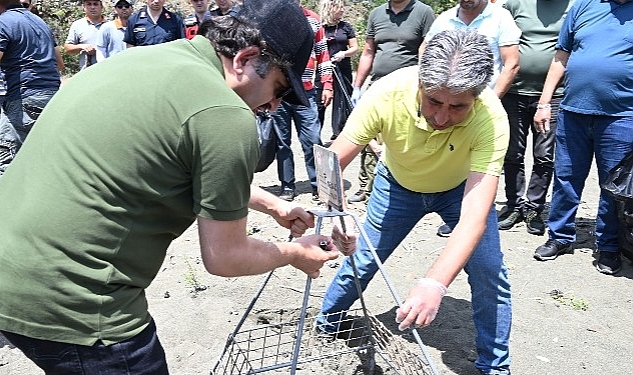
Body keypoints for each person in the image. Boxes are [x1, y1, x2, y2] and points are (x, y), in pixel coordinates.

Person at [0, 0, 350, 373]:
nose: (273, 106)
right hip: (75, 302)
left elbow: (178, 162)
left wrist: (274, 206)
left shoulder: (146, 62)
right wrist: (295, 253)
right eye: (279, 88)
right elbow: (225, 257)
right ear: (245, 58)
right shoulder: (225, 114)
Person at [316, 29, 513, 375]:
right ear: (420, 83)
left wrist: (434, 282)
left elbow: (474, 218)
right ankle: (327, 323)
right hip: (398, 185)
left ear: (477, 98)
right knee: (363, 258)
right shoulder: (386, 93)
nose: (441, 117)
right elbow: (330, 163)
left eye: (458, 107)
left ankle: (494, 366)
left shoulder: (491, 118)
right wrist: (338, 213)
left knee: (488, 270)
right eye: (434, 101)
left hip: (459, 190)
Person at [533, 0, 633, 275]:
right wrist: (544, 103)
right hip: (572, 111)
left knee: (612, 187)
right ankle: (559, 237)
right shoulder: (583, 6)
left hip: (621, 115)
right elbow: (561, 56)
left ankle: (609, 246)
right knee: (566, 177)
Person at [422, 0, 521, 236]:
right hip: (448, 102)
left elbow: (511, 63)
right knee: (454, 159)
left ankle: (482, 216)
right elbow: (425, 53)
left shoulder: (500, 17)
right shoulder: (444, 19)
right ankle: (456, 214)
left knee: (486, 162)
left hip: (482, 102)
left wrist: (487, 103)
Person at [346, 0, 435, 205]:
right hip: (377, 85)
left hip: (407, 87)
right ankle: (365, 187)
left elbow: (427, 50)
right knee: (367, 136)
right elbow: (369, 51)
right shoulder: (377, 13)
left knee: (400, 137)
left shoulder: (423, 12)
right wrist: (357, 86)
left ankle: (398, 188)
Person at [497, 0, 573, 235]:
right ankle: (513, 205)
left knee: (544, 155)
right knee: (512, 153)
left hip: (554, 95)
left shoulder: (575, 6)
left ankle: (533, 208)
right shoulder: (516, 4)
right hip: (514, 92)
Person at [273, 1, 333, 203]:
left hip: (305, 91)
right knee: (282, 143)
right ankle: (287, 186)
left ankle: (319, 185)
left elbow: (323, 54)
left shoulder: (312, 20)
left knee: (313, 139)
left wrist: (327, 84)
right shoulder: (274, 17)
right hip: (279, 91)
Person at [0, 0, 63, 178]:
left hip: (24, 98)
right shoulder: (39, 22)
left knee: (5, 162)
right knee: (42, 162)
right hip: (51, 99)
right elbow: (59, 64)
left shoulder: (4, 22)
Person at [315, 0, 357, 140]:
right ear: (330, 9)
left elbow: (354, 48)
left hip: (342, 68)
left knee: (342, 102)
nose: (342, 11)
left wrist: (344, 54)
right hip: (323, 69)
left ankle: (339, 135)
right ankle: (315, 136)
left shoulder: (346, 27)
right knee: (319, 102)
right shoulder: (319, 27)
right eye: (340, 8)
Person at [64, 0, 105, 70]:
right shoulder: (77, 25)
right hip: (87, 71)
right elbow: (67, 48)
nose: (92, 7)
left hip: (107, 69)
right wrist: (82, 46)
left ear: (101, 7)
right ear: (84, 7)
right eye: (89, 4)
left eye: (95, 4)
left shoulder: (110, 25)